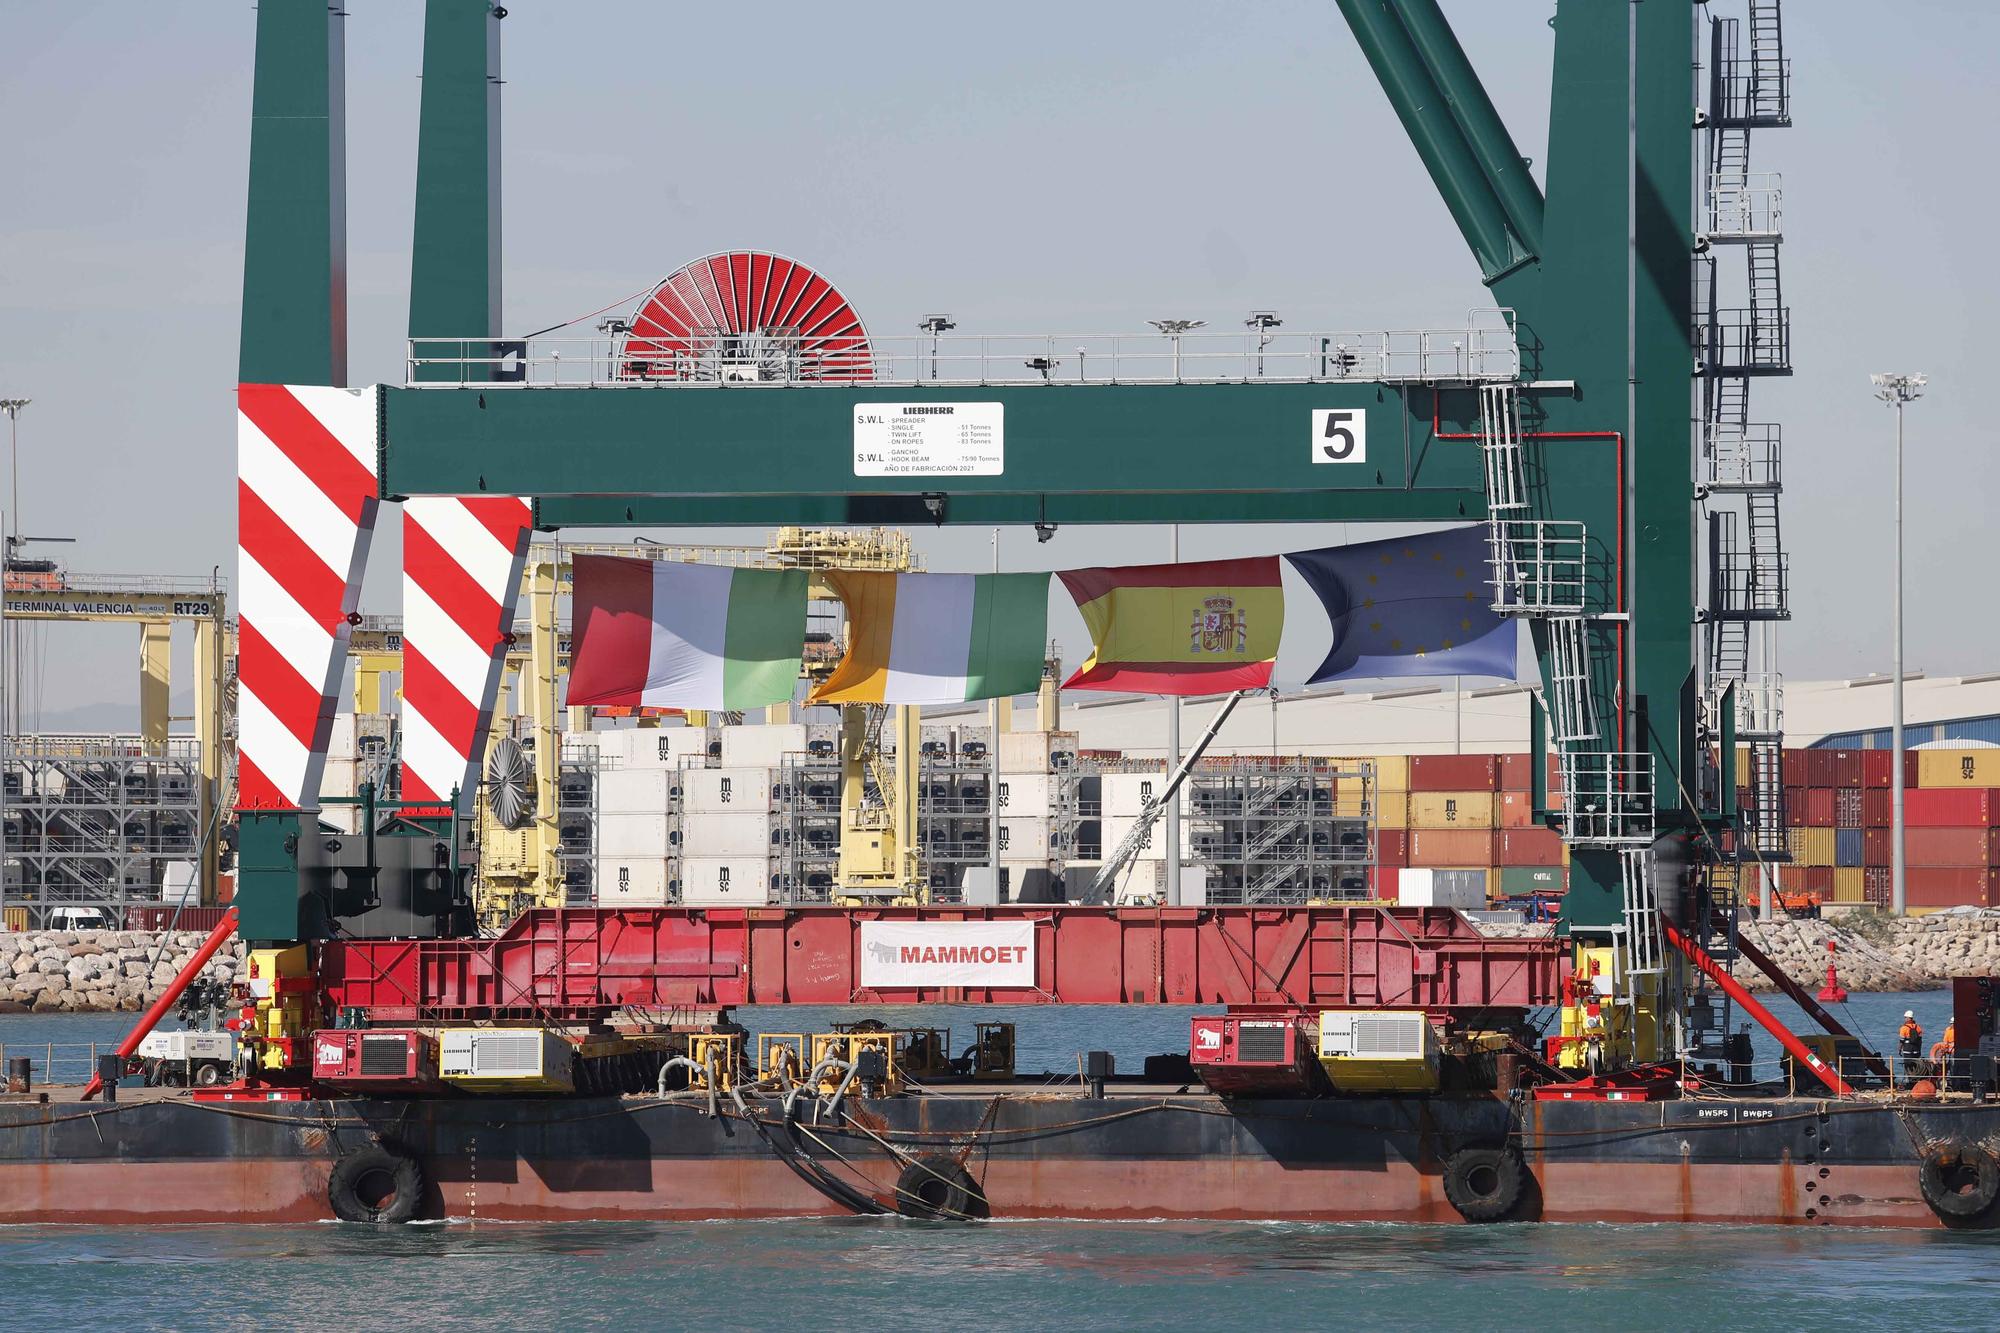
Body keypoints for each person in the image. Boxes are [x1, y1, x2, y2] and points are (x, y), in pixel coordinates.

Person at [1899, 1010, 1926, 1082]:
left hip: (1908, 1049)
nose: (1904, 1019)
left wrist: (1899, 1049)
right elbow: (1920, 1040)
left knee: (1908, 1065)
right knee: (1916, 1065)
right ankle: (1916, 1080)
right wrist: (1919, 1050)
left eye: (1905, 1017)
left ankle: (1910, 1080)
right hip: (1916, 1049)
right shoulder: (1918, 1027)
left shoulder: (1904, 1028)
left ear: (1908, 1018)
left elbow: (1901, 1040)